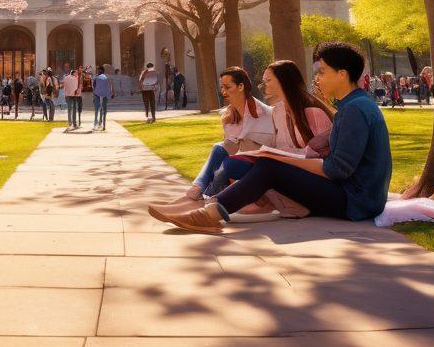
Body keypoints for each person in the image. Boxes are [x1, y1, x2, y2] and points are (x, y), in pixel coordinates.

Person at [159, 42, 391, 233]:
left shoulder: (355, 109)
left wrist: (283, 159)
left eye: (322, 72)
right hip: (358, 197)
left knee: (270, 166)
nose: (317, 78)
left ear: (342, 75)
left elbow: (337, 169)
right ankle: (210, 206)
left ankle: (210, 212)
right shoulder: (354, 106)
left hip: (356, 202)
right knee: (265, 163)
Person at [156, 68, 275, 210]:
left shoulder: (262, 112)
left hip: (261, 166)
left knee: (227, 163)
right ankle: (198, 192)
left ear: (241, 87)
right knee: (219, 150)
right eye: (221, 87)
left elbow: (268, 146)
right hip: (240, 161)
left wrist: (242, 143)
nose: (223, 91)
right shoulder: (230, 116)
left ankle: (199, 197)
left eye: (227, 87)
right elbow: (232, 148)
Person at [92, 66, 111, 131]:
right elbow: (109, 87)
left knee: (97, 110)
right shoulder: (107, 78)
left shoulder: (96, 78)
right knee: (104, 110)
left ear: (100, 71)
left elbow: (94, 87)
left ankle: (96, 124)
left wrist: (94, 96)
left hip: (97, 95)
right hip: (105, 95)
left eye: (98, 70)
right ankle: (103, 125)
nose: (97, 71)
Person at [63, 65, 82, 130]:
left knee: (69, 109)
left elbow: (64, 86)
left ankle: (70, 123)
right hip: (73, 96)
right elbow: (77, 88)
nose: (77, 74)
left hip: (67, 95)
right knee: (74, 110)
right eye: (76, 73)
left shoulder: (65, 77)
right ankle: (74, 123)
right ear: (73, 73)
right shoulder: (75, 78)